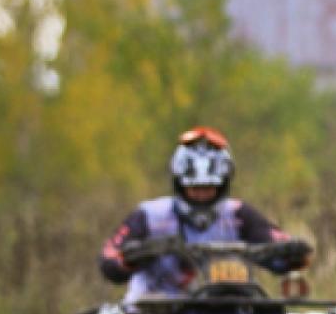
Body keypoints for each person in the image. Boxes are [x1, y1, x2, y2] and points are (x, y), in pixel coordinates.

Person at [100, 126, 310, 302]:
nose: (201, 195)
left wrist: (292, 253)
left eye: (209, 188)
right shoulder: (150, 216)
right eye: (195, 188)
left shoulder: (238, 215)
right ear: (180, 185)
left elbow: (275, 243)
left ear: (223, 186)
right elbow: (109, 259)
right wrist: (131, 257)